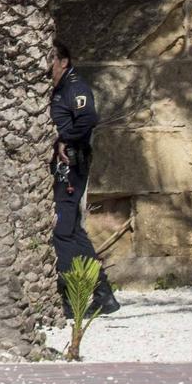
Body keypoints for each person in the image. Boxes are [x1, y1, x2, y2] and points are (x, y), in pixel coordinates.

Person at [51, 39, 120, 315]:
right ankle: (104, 295)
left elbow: (87, 119)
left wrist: (63, 140)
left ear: (63, 61)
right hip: (64, 169)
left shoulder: (74, 87)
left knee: (61, 232)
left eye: (50, 60)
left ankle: (72, 299)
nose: (46, 67)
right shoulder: (60, 89)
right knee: (74, 231)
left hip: (71, 167)